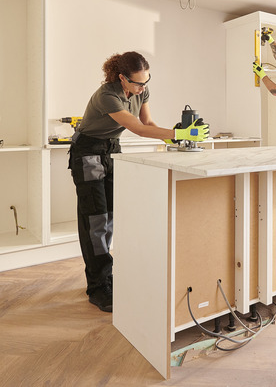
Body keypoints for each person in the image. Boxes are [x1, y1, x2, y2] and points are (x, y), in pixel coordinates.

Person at [69, 51, 209, 312]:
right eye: (137, 82)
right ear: (122, 78)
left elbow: (149, 122)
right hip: (87, 152)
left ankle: (106, 277)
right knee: (94, 220)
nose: (142, 87)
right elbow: (138, 129)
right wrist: (179, 133)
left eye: (146, 81)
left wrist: (174, 138)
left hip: (112, 150)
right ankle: (98, 288)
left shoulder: (142, 92)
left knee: (110, 216)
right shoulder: (106, 96)